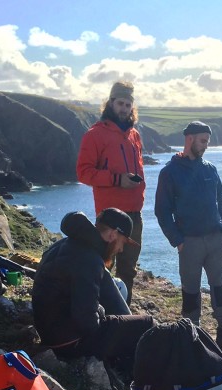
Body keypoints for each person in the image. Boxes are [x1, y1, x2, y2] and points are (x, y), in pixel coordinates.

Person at [154, 121, 222, 359]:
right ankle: (193, 337)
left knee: (220, 286)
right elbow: (162, 211)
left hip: (215, 239)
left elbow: (220, 201)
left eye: (207, 142)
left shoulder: (210, 169)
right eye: (202, 141)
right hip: (189, 242)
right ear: (189, 139)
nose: (206, 146)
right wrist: (177, 240)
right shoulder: (169, 172)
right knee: (190, 291)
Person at [32, 209, 155, 365]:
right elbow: (86, 322)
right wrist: (103, 314)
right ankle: (138, 377)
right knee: (146, 324)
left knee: (110, 286)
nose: (121, 249)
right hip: (68, 343)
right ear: (113, 235)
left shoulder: (66, 244)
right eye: (122, 242)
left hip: (52, 330)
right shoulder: (89, 260)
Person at [76, 81, 146, 302]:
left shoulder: (134, 135)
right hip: (110, 216)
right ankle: (97, 312)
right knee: (102, 264)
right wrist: (117, 180)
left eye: (128, 104)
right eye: (120, 103)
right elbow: (83, 173)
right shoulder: (95, 134)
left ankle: (123, 312)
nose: (124, 108)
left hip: (134, 214)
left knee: (128, 269)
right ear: (110, 103)